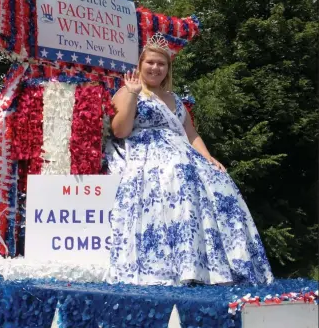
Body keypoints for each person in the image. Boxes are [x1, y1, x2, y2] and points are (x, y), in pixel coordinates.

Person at [105, 33, 274, 286]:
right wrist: (132, 94)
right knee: (178, 172)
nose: (155, 68)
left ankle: (221, 266)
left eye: (161, 64)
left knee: (218, 178)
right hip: (147, 152)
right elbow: (120, 131)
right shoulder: (127, 91)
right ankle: (177, 265)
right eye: (150, 62)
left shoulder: (174, 98)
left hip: (183, 152)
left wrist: (208, 158)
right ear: (140, 65)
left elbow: (191, 134)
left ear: (167, 69)